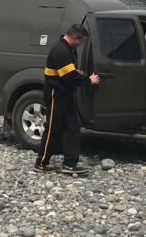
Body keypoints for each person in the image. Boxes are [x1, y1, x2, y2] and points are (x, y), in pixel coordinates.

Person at [35, 24, 100, 174]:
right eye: (81, 41)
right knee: (52, 128)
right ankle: (41, 162)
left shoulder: (69, 49)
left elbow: (69, 72)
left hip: (65, 93)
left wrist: (78, 74)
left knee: (72, 127)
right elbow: (69, 77)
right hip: (56, 93)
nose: (81, 44)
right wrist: (88, 80)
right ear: (75, 38)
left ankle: (70, 163)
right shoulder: (61, 50)